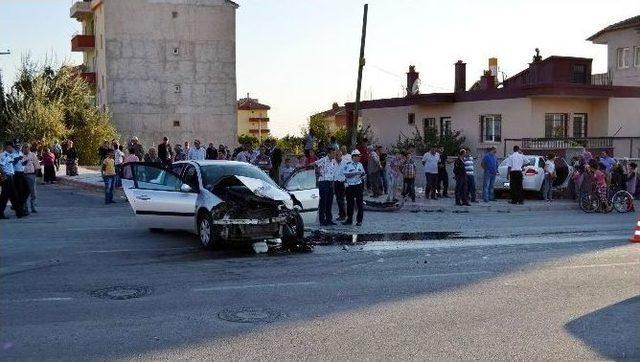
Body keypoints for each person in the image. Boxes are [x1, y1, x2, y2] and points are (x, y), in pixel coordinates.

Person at [0, 141, 27, 218]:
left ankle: (19, 212)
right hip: (6, 177)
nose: (13, 149)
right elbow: (0, 166)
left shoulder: (10, 155)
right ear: (8, 147)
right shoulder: (3, 155)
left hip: (11, 176)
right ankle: (2, 213)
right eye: (12, 147)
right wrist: (3, 174)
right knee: (5, 196)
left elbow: (12, 164)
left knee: (13, 195)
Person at [313, 147, 337, 226]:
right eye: (333, 153)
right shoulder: (323, 159)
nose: (334, 154)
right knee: (323, 201)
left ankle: (329, 219)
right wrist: (317, 171)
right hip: (323, 182)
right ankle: (322, 220)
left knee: (330, 201)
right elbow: (315, 164)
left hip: (330, 182)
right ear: (329, 153)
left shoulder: (333, 161)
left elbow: (333, 172)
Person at [342, 149, 366, 226]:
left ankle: (359, 221)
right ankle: (349, 220)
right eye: (358, 156)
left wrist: (363, 176)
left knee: (359, 203)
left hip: (358, 185)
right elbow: (346, 175)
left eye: (359, 156)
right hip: (350, 186)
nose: (359, 157)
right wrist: (355, 173)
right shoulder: (348, 164)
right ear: (354, 156)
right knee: (350, 203)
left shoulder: (360, 164)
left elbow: (363, 173)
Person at [22, 144, 40, 213]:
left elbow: (37, 166)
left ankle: (33, 207)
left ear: (29, 148)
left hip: (31, 175)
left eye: (27, 148)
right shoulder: (20, 155)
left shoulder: (33, 155)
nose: (26, 149)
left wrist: (35, 176)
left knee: (33, 192)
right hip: (22, 175)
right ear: (22, 149)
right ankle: (25, 207)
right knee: (24, 192)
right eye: (24, 148)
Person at [333, 149, 347, 221]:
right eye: (335, 155)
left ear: (341, 155)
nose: (335, 156)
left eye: (337, 155)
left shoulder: (345, 163)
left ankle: (343, 215)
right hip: (335, 182)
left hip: (342, 182)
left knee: (341, 199)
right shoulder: (333, 162)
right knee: (338, 199)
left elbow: (347, 173)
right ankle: (341, 213)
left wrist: (346, 182)